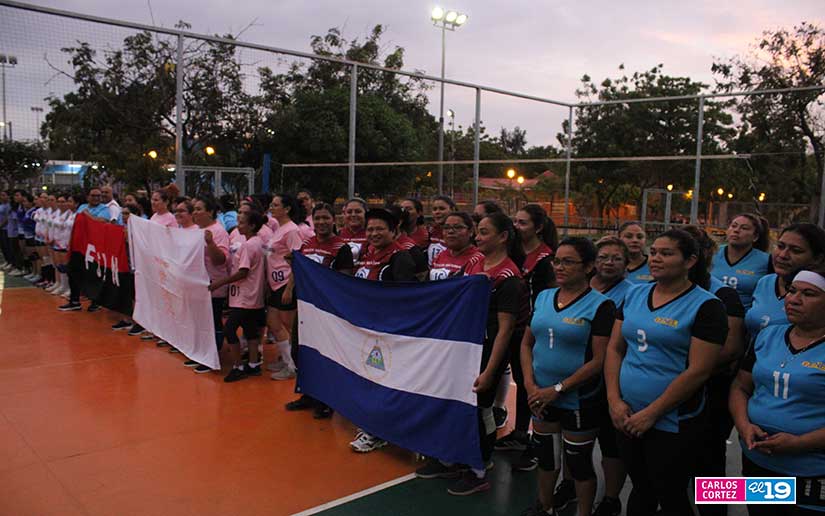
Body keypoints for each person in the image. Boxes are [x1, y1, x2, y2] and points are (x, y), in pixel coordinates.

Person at [605, 229, 728, 516]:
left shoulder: (707, 306)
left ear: (690, 261)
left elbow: (699, 371)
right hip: (627, 413)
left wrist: (652, 413)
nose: (656, 258)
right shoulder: (634, 293)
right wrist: (614, 400)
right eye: (655, 252)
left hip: (673, 419)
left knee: (670, 490)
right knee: (641, 487)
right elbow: (615, 348)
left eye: (667, 253)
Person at [433, 212, 529, 495]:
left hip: (488, 350)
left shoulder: (510, 278)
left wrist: (490, 371)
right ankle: (456, 457)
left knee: (482, 407)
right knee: (459, 401)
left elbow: (505, 330)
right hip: (465, 346)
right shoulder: (475, 262)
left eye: (484, 232)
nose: (478, 237)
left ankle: (480, 468)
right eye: (478, 232)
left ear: (503, 237)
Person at [519, 237, 616, 516]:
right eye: (557, 261)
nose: (559, 267)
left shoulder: (601, 306)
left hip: (579, 400)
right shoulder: (544, 296)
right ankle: (544, 505)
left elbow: (599, 360)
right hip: (540, 396)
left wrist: (558, 389)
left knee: (579, 465)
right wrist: (529, 383)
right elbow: (527, 343)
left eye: (568, 262)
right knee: (547, 459)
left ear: (588, 267)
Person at [730, 266, 825, 516]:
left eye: (809, 294)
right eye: (792, 290)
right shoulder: (767, 335)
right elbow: (740, 386)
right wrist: (743, 426)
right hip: (757, 461)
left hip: (810, 471)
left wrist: (800, 443)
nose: (794, 299)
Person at [683, 225, 747, 516]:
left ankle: (714, 509)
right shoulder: (658, 292)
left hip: (711, 386)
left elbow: (731, 348)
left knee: (710, 456)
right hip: (676, 387)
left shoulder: (723, 294)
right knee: (679, 453)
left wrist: (686, 371)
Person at [349, 209, 418, 454]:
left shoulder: (400, 258)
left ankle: (379, 431)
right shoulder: (369, 254)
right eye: (370, 229)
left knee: (383, 379)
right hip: (368, 328)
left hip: (388, 332)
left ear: (393, 231)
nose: (374, 233)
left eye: (380, 229)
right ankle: (375, 425)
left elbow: (407, 298)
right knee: (371, 378)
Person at [494, 204, 557, 463]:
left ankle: (535, 441)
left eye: (523, 223)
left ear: (538, 227)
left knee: (531, 382)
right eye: (515, 222)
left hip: (530, 332)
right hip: (509, 326)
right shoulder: (514, 254)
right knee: (516, 381)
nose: (517, 227)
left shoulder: (546, 259)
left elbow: (547, 297)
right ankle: (520, 432)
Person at [283, 202, 354, 418]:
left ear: (334, 220)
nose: (322, 222)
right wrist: (289, 287)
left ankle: (326, 400)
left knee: (325, 355)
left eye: (326, 218)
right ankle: (308, 393)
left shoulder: (341, 248)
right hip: (306, 308)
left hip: (326, 311)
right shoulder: (307, 243)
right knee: (299, 350)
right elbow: (298, 267)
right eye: (318, 218)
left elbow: (345, 280)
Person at [584, 236, 635, 516]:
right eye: (603, 257)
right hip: (577, 378)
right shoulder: (579, 287)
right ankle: (570, 484)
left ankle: (612, 498)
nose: (609, 262)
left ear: (627, 264)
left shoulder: (633, 293)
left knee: (610, 444)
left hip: (610, 379)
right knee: (576, 441)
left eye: (616, 258)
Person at [208, 210, 267, 383]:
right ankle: (254, 364)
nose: (238, 226)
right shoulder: (257, 242)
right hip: (252, 296)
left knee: (229, 329)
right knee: (250, 329)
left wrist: (220, 283)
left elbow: (243, 272)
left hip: (244, 296)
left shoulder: (248, 246)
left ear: (252, 225)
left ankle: (238, 366)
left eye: (241, 223)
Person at [745, 223, 825, 339]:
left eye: (796, 251)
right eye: (780, 246)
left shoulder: (820, 292)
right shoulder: (765, 282)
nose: (783, 255)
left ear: (818, 258)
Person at [183, 195, 231, 374]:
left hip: (213, 284)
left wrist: (210, 243)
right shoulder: (195, 230)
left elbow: (221, 260)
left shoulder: (218, 231)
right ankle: (201, 353)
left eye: (199, 209)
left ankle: (213, 356)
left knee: (212, 321)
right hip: (196, 284)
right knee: (199, 321)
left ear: (210, 212)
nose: (194, 213)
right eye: (194, 209)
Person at [265, 193, 305, 380]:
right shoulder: (278, 228)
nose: (271, 208)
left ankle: (295, 366)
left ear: (287, 208)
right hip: (274, 283)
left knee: (289, 325)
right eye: (271, 205)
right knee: (273, 322)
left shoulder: (291, 230)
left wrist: (290, 288)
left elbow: (297, 259)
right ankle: (286, 358)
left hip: (286, 282)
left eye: (275, 205)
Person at [711, 213, 771, 309]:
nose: (736, 230)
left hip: (743, 317)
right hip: (710, 312)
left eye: (744, 228)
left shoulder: (766, 261)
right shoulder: (712, 253)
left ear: (755, 237)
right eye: (733, 226)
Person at [428, 212, 483, 280]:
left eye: (457, 227)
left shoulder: (479, 259)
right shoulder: (440, 256)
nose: (450, 231)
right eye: (446, 227)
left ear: (471, 231)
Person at [427, 195, 457, 266]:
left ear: (452, 209)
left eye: (442, 208)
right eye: (434, 209)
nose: (437, 212)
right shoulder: (431, 231)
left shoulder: (460, 233)